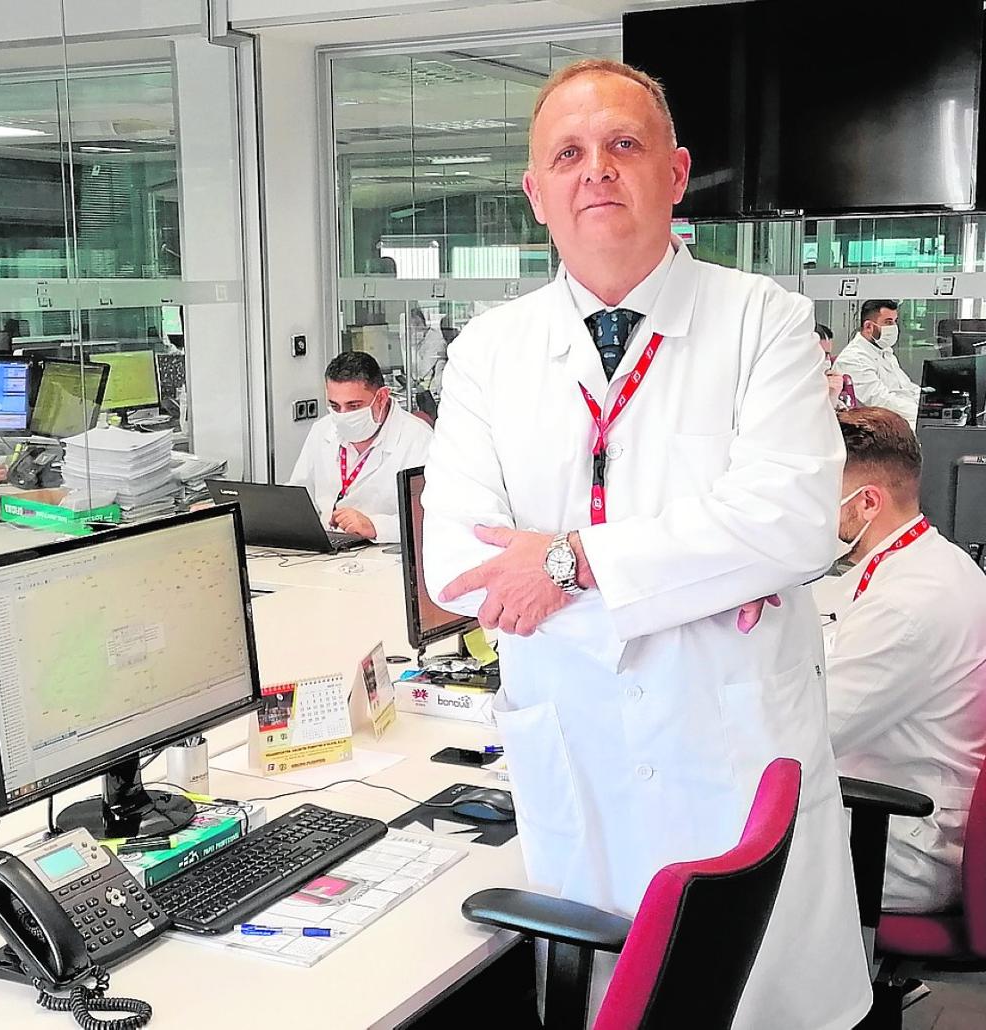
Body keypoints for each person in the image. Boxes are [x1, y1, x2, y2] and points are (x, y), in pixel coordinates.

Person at [420, 58, 870, 1029]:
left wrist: (564, 561)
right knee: (607, 997)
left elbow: (790, 523)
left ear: (675, 172)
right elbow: (454, 561)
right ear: (535, 193)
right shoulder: (488, 353)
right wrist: (702, 563)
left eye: (625, 144)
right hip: (572, 741)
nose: (598, 170)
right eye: (569, 153)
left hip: (732, 748)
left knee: (751, 1002)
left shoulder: (766, 322)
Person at [823, 407, 986, 911]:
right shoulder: (928, 560)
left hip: (897, 843)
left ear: (867, 502)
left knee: (696, 831)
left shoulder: (908, 604)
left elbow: (804, 739)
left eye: (814, 496)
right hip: (902, 801)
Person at [288, 350, 431, 544]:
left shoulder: (418, 439)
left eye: (354, 406)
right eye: (335, 406)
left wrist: (375, 526)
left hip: (387, 555)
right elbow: (296, 500)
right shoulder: (322, 430)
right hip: (328, 550)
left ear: (381, 397)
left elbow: (433, 521)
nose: (343, 415)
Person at [833, 299, 920, 424]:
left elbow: (907, 388)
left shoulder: (884, 352)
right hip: (881, 424)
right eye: (888, 322)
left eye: (895, 322)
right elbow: (880, 401)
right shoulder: (854, 359)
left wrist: (929, 404)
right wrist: (919, 412)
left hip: (902, 416)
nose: (894, 327)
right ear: (868, 326)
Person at [408, 307, 448, 394]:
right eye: (411, 327)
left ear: (425, 323)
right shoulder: (422, 340)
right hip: (426, 386)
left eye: (417, 324)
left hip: (434, 389)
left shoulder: (435, 340)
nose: (415, 329)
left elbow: (423, 370)